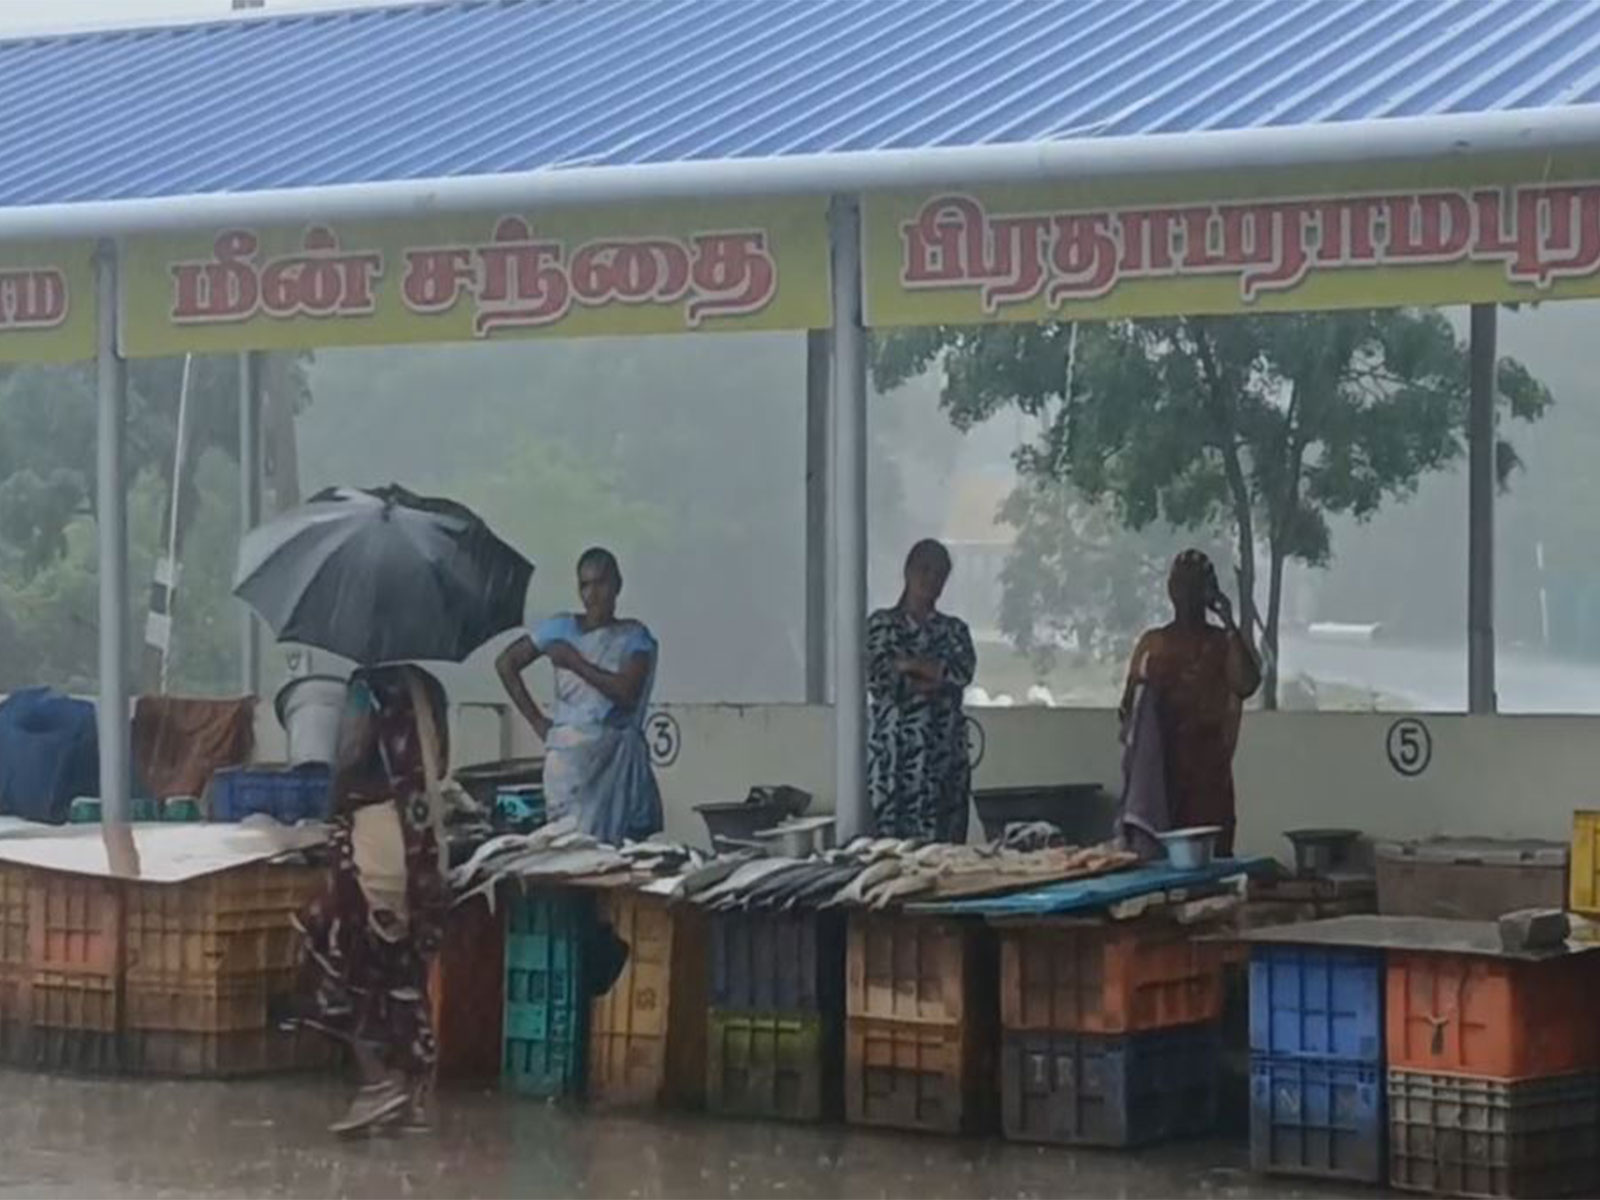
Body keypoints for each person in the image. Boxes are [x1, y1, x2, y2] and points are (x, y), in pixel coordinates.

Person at [290, 662, 450, 1137]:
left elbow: (352, 751)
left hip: (377, 841)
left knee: (338, 952)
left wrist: (334, 799)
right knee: (405, 967)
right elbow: (439, 767)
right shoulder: (430, 689)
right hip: (423, 841)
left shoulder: (367, 688)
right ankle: (413, 1097)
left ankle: (379, 1082)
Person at [496, 547, 663, 845]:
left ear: (617, 586)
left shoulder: (634, 636)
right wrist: (537, 721)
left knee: (622, 855)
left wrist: (575, 662)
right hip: (571, 767)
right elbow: (506, 663)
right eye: (585, 585)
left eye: (600, 583)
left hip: (618, 763)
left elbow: (627, 693)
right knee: (568, 849)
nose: (593, 594)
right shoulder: (559, 627)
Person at [1119, 549, 1262, 857]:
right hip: (1162, 776)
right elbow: (1130, 714)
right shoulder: (1153, 643)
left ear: (1208, 591)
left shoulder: (1222, 643)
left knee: (1210, 865)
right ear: (1171, 590)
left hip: (1208, 777)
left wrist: (1228, 620)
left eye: (1196, 585)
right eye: (1181, 584)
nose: (1187, 594)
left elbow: (1247, 684)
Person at [866, 539, 977, 842]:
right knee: (890, 851)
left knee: (946, 851)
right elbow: (882, 681)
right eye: (925, 569)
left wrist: (907, 664)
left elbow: (961, 673)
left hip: (944, 760)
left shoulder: (955, 631)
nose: (931, 579)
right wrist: (933, 673)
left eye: (940, 573)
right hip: (894, 762)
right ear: (908, 571)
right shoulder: (881, 625)